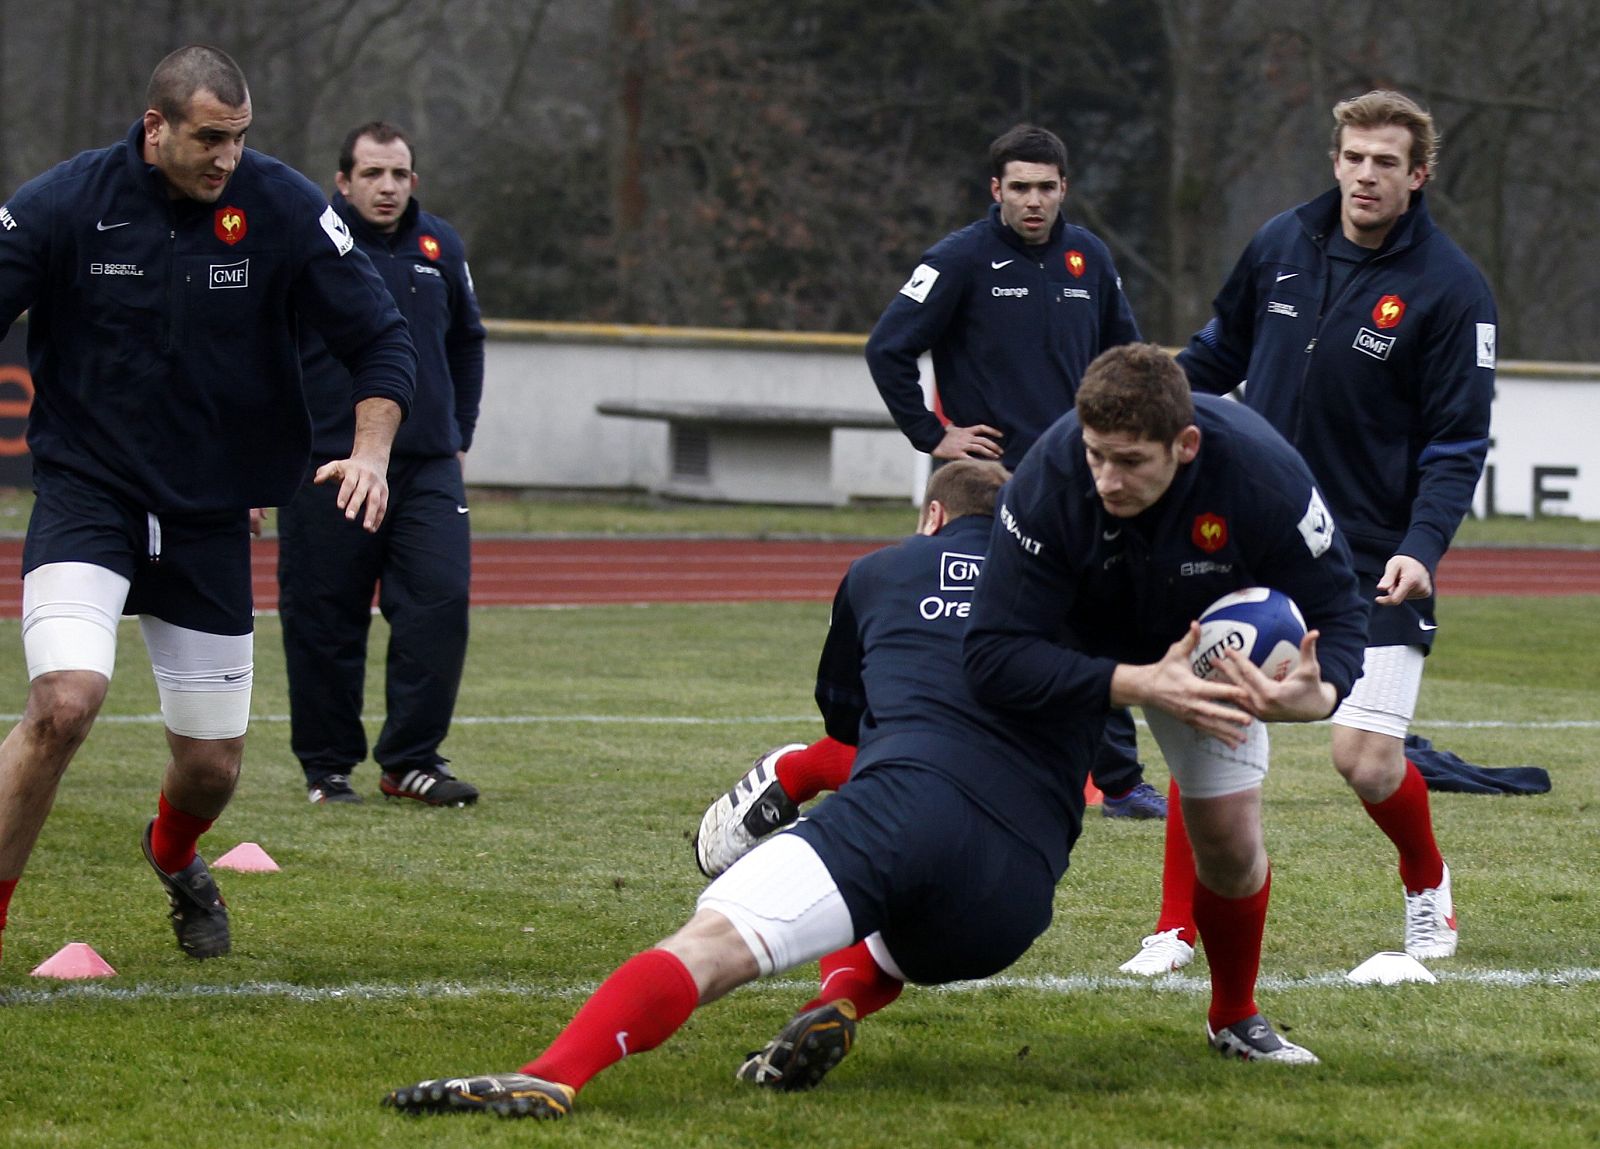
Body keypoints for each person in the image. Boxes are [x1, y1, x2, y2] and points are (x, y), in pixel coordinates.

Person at [384, 459, 1119, 1119]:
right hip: (1013, 895)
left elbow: (845, 719)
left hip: (902, 808)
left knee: (710, 946)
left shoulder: (883, 570)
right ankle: (835, 999)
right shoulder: (1080, 598)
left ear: (932, 516)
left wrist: (819, 765)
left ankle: (552, 1075)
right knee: (893, 919)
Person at [0, 46, 415, 966]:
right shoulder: (65, 203)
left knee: (211, 767)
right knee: (63, 703)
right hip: (88, 497)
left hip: (212, 516)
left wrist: (371, 452)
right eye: (210, 138)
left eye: (240, 137)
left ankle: (173, 850)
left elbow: (381, 336)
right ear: (156, 128)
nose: (228, 156)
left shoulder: (283, 206)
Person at [1118, 89, 1494, 977]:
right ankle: (1174, 927)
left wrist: (1422, 545)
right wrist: (1140, 399)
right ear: (1335, 160)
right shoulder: (1281, 242)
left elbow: (1457, 440)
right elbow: (1219, 354)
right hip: (1258, 534)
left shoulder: (1452, 287)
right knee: (1204, 710)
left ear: (1418, 175)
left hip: (1374, 552)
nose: (1366, 175)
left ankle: (1427, 885)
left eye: (1386, 162)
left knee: (1364, 759)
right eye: (1354, 157)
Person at [962, 343, 1370, 1064]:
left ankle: (1234, 1016)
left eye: (1130, 461)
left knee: (1231, 843)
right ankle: (850, 988)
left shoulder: (1263, 474)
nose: (1107, 479)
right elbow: (993, 654)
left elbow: (1340, 606)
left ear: (1186, 445)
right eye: (1096, 455)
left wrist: (1323, 690)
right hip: (1073, 647)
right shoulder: (1048, 480)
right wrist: (1134, 681)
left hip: (1204, 648)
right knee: (983, 840)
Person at [865, 122, 1162, 820]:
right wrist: (934, 435)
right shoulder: (958, 259)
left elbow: (1126, 358)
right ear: (996, 189)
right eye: (1020, 187)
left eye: (1046, 188)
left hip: (1080, 478)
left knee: (1093, 617)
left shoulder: (1090, 257)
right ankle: (944, 755)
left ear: (1064, 189)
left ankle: (1119, 783)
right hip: (993, 485)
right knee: (987, 623)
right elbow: (887, 348)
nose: (1034, 201)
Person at [272, 121, 485, 808]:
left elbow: (467, 342)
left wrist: (459, 432)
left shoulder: (440, 246)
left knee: (439, 602)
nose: (387, 187)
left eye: (398, 174)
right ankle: (327, 767)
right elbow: (267, 350)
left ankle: (412, 761)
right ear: (343, 181)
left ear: (413, 180)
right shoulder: (308, 243)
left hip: (426, 465)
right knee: (324, 615)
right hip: (328, 463)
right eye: (371, 174)